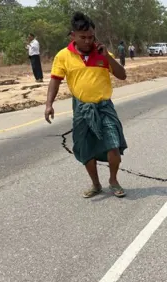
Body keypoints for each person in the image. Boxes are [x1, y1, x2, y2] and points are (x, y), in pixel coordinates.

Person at [44, 12, 128, 198]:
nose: (88, 41)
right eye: (83, 37)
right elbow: (55, 81)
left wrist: (108, 57)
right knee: (85, 149)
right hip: (82, 109)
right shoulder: (63, 56)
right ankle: (96, 184)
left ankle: (113, 180)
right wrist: (49, 104)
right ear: (72, 36)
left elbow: (122, 75)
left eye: (91, 37)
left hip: (104, 107)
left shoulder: (102, 53)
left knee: (113, 146)